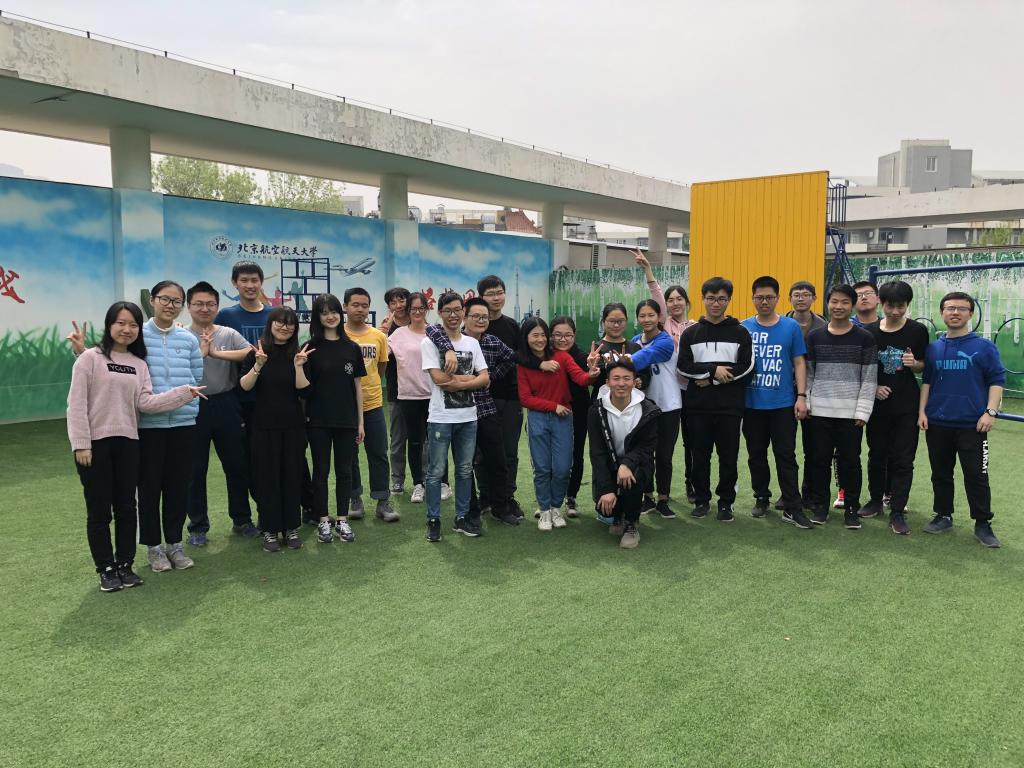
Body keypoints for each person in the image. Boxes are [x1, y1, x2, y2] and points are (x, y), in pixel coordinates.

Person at [67, 302, 204, 592]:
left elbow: (145, 403)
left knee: (127, 508)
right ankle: (106, 569)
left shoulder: (138, 364)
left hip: (129, 443)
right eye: (120, 323)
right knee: (99, 510)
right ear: (109, 325)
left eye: (132, 324)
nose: (126, 329)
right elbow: (76, 404)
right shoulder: (90, 358)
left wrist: (183, 393)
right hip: (95, 445)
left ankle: (125, 565)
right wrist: (81, 444)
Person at [918, 291, 1005, 548]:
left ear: (970, 314)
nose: (955, 312)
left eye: (961, 309)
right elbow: (927, 382)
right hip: (938, 422)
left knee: (977, 475)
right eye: (950, 308)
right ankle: (943, 515)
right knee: (941, 473)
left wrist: (990, 412)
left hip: (972, 425)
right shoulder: (933, 348)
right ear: (942, 312)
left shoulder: (984, 347)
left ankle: (983, 523)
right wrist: (922, 412)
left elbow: (997, 380)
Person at [426, 297, 520, 526]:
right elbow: (432, 330)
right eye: (476, 316)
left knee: (497, 460)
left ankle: (500, 506)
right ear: (465, 317)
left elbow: (511, 360)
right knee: (465, 466)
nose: (481, 320)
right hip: (457, 414)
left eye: (485, 317)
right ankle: (471, 510)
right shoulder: (444, 338)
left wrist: (488, 378)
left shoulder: (490, 342)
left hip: (485, 409)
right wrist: (471, 379)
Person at [138, 280, 204, 573]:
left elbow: (196, 377)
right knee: (149, 488)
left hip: (183, 424)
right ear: (152, 300)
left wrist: (183, 404)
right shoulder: (138, 336)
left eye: (176, 301)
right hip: (148, 426)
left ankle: (175, 544)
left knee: (178, 487)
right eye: (165, 299)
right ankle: (154, 548)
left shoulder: (188, 339)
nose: (170, 305)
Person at [185, 281, 258, 545]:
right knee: (195, 469)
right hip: (193, 405)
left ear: (217, 307)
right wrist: (200, 353)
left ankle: (242, 519)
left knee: (236, 465)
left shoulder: (228, 333)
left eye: (210, 304)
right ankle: (198, 527)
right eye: (199, 304)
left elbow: (251, 352)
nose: (205, 309)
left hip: (227, 403)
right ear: (189, 306)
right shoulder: (181, 336)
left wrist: (215, 352)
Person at [677, 276, 753, 521]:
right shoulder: (691, 333)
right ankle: (701, 500)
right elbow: (683, 366)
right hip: (697, 407)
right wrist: (712, 369)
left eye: (721, 299)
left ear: (729, 300)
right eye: (711, 298)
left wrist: (713, 379)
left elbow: (747, 369)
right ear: (703, 299)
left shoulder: (741, 332)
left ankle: (726, 503)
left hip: (730, 408)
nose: (716, 304)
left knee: (728, 457)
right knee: (699, 456)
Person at [741, 276, 813, 529]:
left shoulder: (791, 327)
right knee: (756, 455)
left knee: (786, 455)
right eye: (759, 297)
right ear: (753, 298)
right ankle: (761, 497)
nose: (764, 302)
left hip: (783, 404)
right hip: (751, 405)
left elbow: (799, 362)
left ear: (778, 299)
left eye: (769, 297)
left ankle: (793, 506)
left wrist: (801, 396)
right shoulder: (744, 328)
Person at [804, 284, 877, 529]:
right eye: (834, 301)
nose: (838, 306)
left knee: (850, 462)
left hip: (850, 414)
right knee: (819, 461)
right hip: (819, 412)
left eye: (845, 302)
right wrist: (807, 401)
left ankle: (852, 509)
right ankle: (820, 507)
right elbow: (809, 374)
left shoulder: (864, 338)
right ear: (827, 304)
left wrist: (863, 411)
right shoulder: (814, 337)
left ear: (852, 305)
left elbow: (869, 377)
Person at [239, 306, 311, 552]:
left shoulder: (299, 354)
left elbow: (304, 391)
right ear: (270, 325)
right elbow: (244, 387)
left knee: (292, 475)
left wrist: (299, 366)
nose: (285, 327)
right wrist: (258, 365)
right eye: (280, 322)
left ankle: (291, 528)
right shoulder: (257, 352)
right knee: (266, 478)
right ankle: (269, 530)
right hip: (262, 426)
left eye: (290, 323)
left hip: (293, 426)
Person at [517, 317, 599, 530]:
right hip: (538, 418)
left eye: (543, 335)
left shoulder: (562, 357)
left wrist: (591, 373)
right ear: (526, 337)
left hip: (563, 419)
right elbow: (525, 398)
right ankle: (545, 510)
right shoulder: (524, 364)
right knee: (542, 468)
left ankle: (556, 507)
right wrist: (553, 406)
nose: (540, 339)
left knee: (563, 468)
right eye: (535, 335)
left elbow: (581, 378)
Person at [420, 292, 490, 542]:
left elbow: (485, 378)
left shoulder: (472, 343)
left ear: (463, 312)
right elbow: (439, 379)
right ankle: (433, 520)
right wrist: (469, 380)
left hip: (468, 418)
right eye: (448, 310)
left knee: (464, 470)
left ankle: (461, 518)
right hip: (441, 418)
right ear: (440, 313)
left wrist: (458, 383)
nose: (453, 315)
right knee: (436, 472)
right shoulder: (429, 343)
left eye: (458, 310)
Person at [861, 280, 929, 534]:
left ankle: (897, 511)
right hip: (877, 407)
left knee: (903, 460)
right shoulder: (869, 332)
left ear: (907, 305)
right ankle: (875, 501)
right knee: (876, 455)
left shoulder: (918, 331)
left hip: (906, 406)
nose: (896, 311)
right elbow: (862, 369)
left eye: (901, 306)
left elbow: (923, 365)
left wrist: (914, 364)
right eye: (890, 306)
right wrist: (874, 387)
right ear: (881, 303)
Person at [635, 249, 697, 503]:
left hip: (688, 391)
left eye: (679, 299)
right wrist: (648, 270)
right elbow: (656, 296)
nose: (674, 303)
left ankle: (691, 485)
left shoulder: (695, 327)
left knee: (690, 442)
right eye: (670, 300)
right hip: (664, 389)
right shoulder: (663, 326)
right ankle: (652, 494)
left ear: (687, 302)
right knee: (653, 448)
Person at [304, 294, 367, 544]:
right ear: (317, 317)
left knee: (344, 471)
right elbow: (302, 389)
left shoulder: (352, 348)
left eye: (333, 311)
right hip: (318, 421)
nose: (330, 316)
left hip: (347, 421)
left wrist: (360, 422)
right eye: (324, 312)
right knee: (320, 471)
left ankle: (342, 519)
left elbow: (358, 387)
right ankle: (323, 520)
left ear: (340, 314)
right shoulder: (309, 348)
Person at [589, 358, 659, 550]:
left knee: (631, 478)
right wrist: (606, 489)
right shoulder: (596, 410)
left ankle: (631, 523)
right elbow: (597, 452)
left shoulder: (648, 409)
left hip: (637, 464)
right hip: (610, 464)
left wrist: (627, 464)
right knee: (604, 508)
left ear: (634, 382)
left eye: (627, 378)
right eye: (616, 378)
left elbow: (647, 446)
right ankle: (618, 514)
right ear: (607, 382)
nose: (621, 383)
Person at [343, 287, 398, 522]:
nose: (360, 309)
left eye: (364, 305)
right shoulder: (337, 335)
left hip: (373, 404)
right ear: (345, 307)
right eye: (355, 305)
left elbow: (381, 368)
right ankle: (355, 498)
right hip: (344, 406)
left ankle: (382, 500)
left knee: (378, 452)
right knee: (349, 455)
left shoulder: (379, 336)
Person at [476, 275, 525, 519]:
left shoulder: (513, 326)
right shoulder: (475, 327)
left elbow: (519, 358)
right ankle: (485, 496)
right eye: (490, 294)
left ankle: (507, 496)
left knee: (509, 451)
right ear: (481, 298)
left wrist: (493, 376)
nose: (496, 298)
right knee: (481, 453)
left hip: (510, 397)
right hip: (479, 400)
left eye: (499, 292)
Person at [627, 298, 681, 519]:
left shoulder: (666, 341)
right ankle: (647, 496)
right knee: (645, 454)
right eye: (642, 315)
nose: (647, 319)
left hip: (669, 405)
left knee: (664, 455)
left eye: (651, 315)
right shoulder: (633, 341)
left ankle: (663, 499)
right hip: (643, 407)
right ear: (637, 318)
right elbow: (635, 372)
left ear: (659, 317)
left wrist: (621, 361)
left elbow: (644, 358)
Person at [387, 292, 434, 505]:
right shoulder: (398, 334)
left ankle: (437, 482)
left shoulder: (435, 332)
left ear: (427, 309)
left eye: (420, 308)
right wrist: (382, 332)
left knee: (434, 442)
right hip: (407, 396)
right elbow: (381, 353)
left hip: (434, 395)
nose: (417, 312)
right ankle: (418, 484)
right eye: (413, 309)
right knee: (413, 441)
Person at [786, 280, 827, 510]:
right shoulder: (781, 323)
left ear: (814, 298)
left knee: (814, 447)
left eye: (805, 294)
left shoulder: (824, 326)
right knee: (786, 447)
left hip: (814, 391)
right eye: (796, 294)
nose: (801, 298)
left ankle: (809, 493)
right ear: (789, 299)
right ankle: (788, 494)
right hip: (785, 391)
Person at [379, 286, 411, 495]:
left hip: (422, 391)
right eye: (393, 302)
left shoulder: (419, 325)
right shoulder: (385, 329)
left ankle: (425, 479)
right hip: (396, 391)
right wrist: (383, 333)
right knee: (398, 439)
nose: (398, 305)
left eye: (402, 300)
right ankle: (397, 480)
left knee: (424, 440)